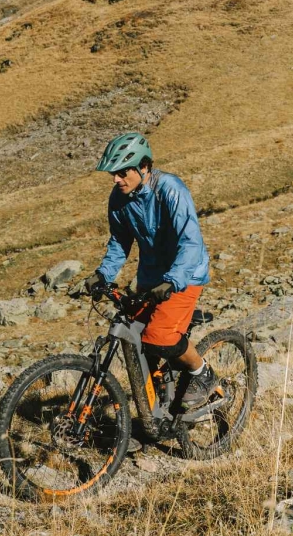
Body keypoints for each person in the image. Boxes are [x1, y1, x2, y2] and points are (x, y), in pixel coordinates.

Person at [77, 132, 215, 408]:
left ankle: (203, 374)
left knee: (160, 337)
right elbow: (119, 242)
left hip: (185, 275)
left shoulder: (170, 189)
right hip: (151, 279)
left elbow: (190, 241)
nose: (116, 179)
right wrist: (103, 275)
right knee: (136, 340)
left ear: (144, 167)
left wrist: (173, 280)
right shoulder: (119, 199)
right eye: (113, 174)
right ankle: (153, 415)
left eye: (122, 172)